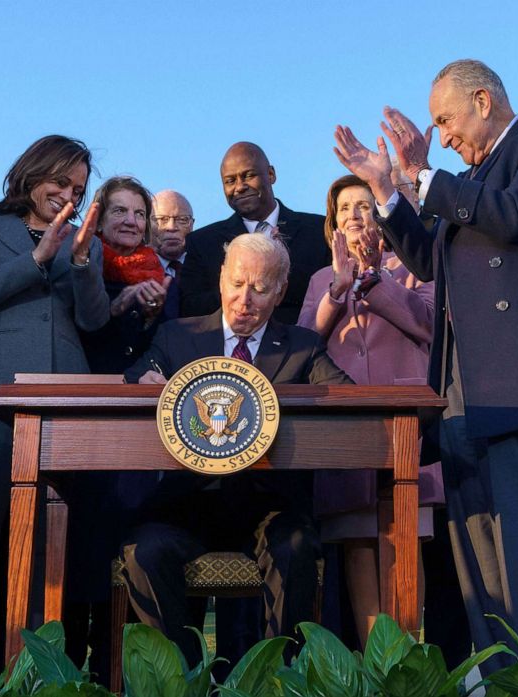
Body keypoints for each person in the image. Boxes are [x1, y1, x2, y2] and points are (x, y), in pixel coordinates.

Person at [333, 58, 518, 676]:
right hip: (461, 389)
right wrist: (386, 190)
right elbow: (431, 262)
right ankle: (499, 682)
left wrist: (421, 175)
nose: (443, 134)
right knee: (478, 561)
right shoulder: (466, 182)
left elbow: (514, 215)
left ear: (483, 101)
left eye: (445, 119)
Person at [121, 233, 352, 666]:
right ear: (222, 278)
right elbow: (139, 373)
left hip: (270, 505)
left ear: (280, 291)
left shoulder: (303, 346)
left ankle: (275, 678)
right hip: (187, 503)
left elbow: (347, 401)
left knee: (297, 546)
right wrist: (144, 380)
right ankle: (182, 681)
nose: (245, 299)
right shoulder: (177, 337)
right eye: (237, 283)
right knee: (143, 552)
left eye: (260, 289)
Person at [0, 135, 109, 683]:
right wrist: (37, 259)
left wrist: (81, 262)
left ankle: (38, 679)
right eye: (60, 182)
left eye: (78, 189)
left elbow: (93, 322)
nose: (67, 195)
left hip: (62, 407)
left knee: (47, 554)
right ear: (33, 174)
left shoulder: (85, 243)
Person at [297, 173, 437, 649]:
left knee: (405, 537)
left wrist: (376, 278)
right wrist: (337, 292)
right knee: (356, 541)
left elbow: (428, 327)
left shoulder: (416, 265)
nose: (355, 216)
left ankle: (409, 661)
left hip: (406, 423)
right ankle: (377, 667)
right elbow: (301, 348)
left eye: (363, 206)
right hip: (346, 423)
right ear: (332, 224)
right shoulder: (320, 277)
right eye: (344, 210)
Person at [179, 142, 329, 323]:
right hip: (230, 349)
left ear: (271, 174)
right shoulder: (202, 242)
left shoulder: (318, 230)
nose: (240, 186)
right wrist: (235, 290)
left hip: (302, 345)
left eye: (248, 175)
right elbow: (189, 307)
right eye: (230, 181)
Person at [80, 176, 170, 373]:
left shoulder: (159, 276)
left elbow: (166, 345)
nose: (131, 221)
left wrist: (150, 318)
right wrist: (114, 310)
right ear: (99, 221)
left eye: (139, 214)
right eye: (120, 211)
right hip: (89, 388)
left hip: (144, 390)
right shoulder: (82, 267)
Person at [151, 189, 194, 322]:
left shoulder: (206, 267)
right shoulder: (131, 269)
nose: (171, 227)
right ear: (146, 224)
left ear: (192, 225)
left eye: (182, 220)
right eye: (161, 220)